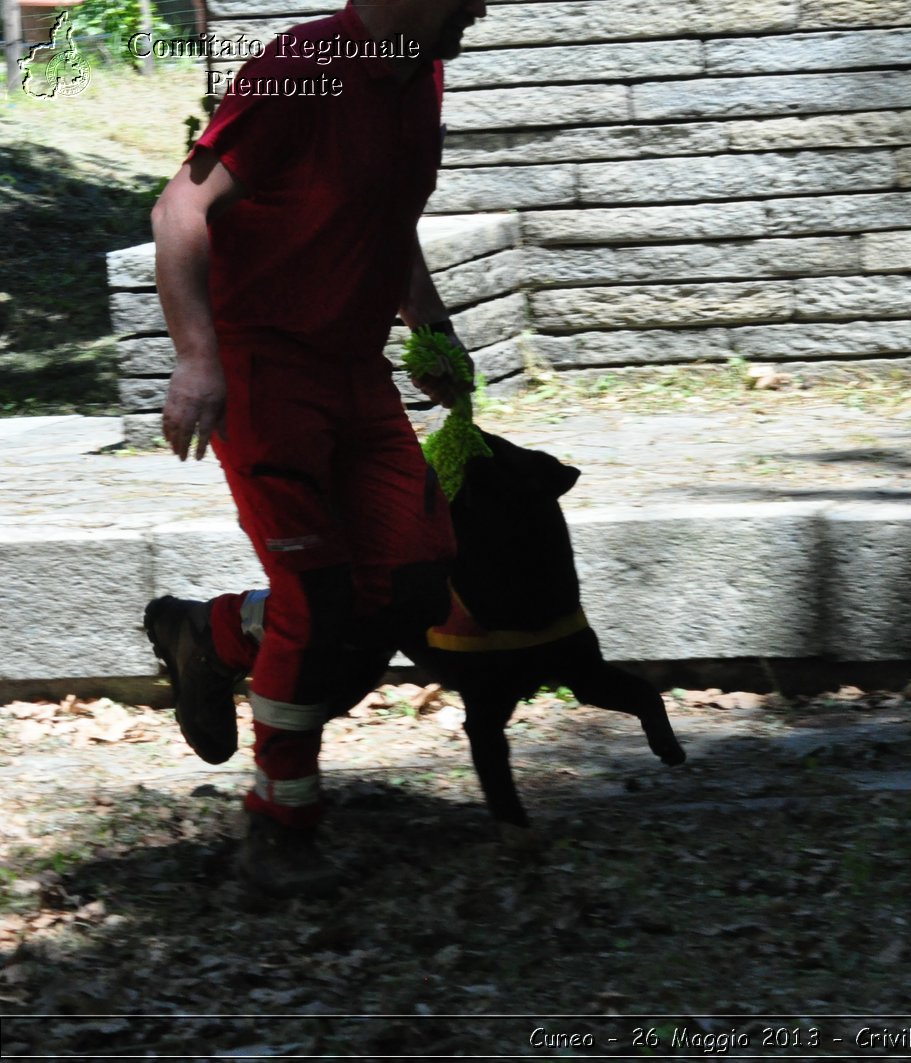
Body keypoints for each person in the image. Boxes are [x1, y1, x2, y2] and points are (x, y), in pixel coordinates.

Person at [143, 0, 487, 899]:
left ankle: (209, 633)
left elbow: (383, 215)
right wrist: (196, 360)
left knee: (414, 579)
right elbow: (179, 208)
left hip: (352, 368)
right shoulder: (307, 69)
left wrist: (433, 329)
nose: (483, 6)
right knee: (319, 595)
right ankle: (278, 830)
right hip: (262, 368)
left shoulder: (419, 74)